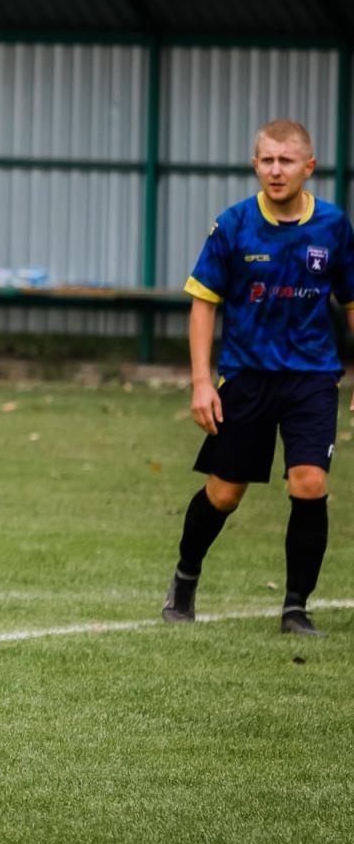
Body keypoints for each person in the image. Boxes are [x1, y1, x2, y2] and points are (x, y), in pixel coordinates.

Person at [164, 118, 354, 637]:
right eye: (266, 160)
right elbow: (204, 302)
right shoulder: (233, 225)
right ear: (255, 165)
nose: (275, 170)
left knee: (309, 483)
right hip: (246, 376)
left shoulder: (334, 226)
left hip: (312, 376)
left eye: (286, 161)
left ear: (308, 168)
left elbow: (352, 300)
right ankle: (185, 576)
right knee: (224, 494)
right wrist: (202, 382)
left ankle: (296, 608)